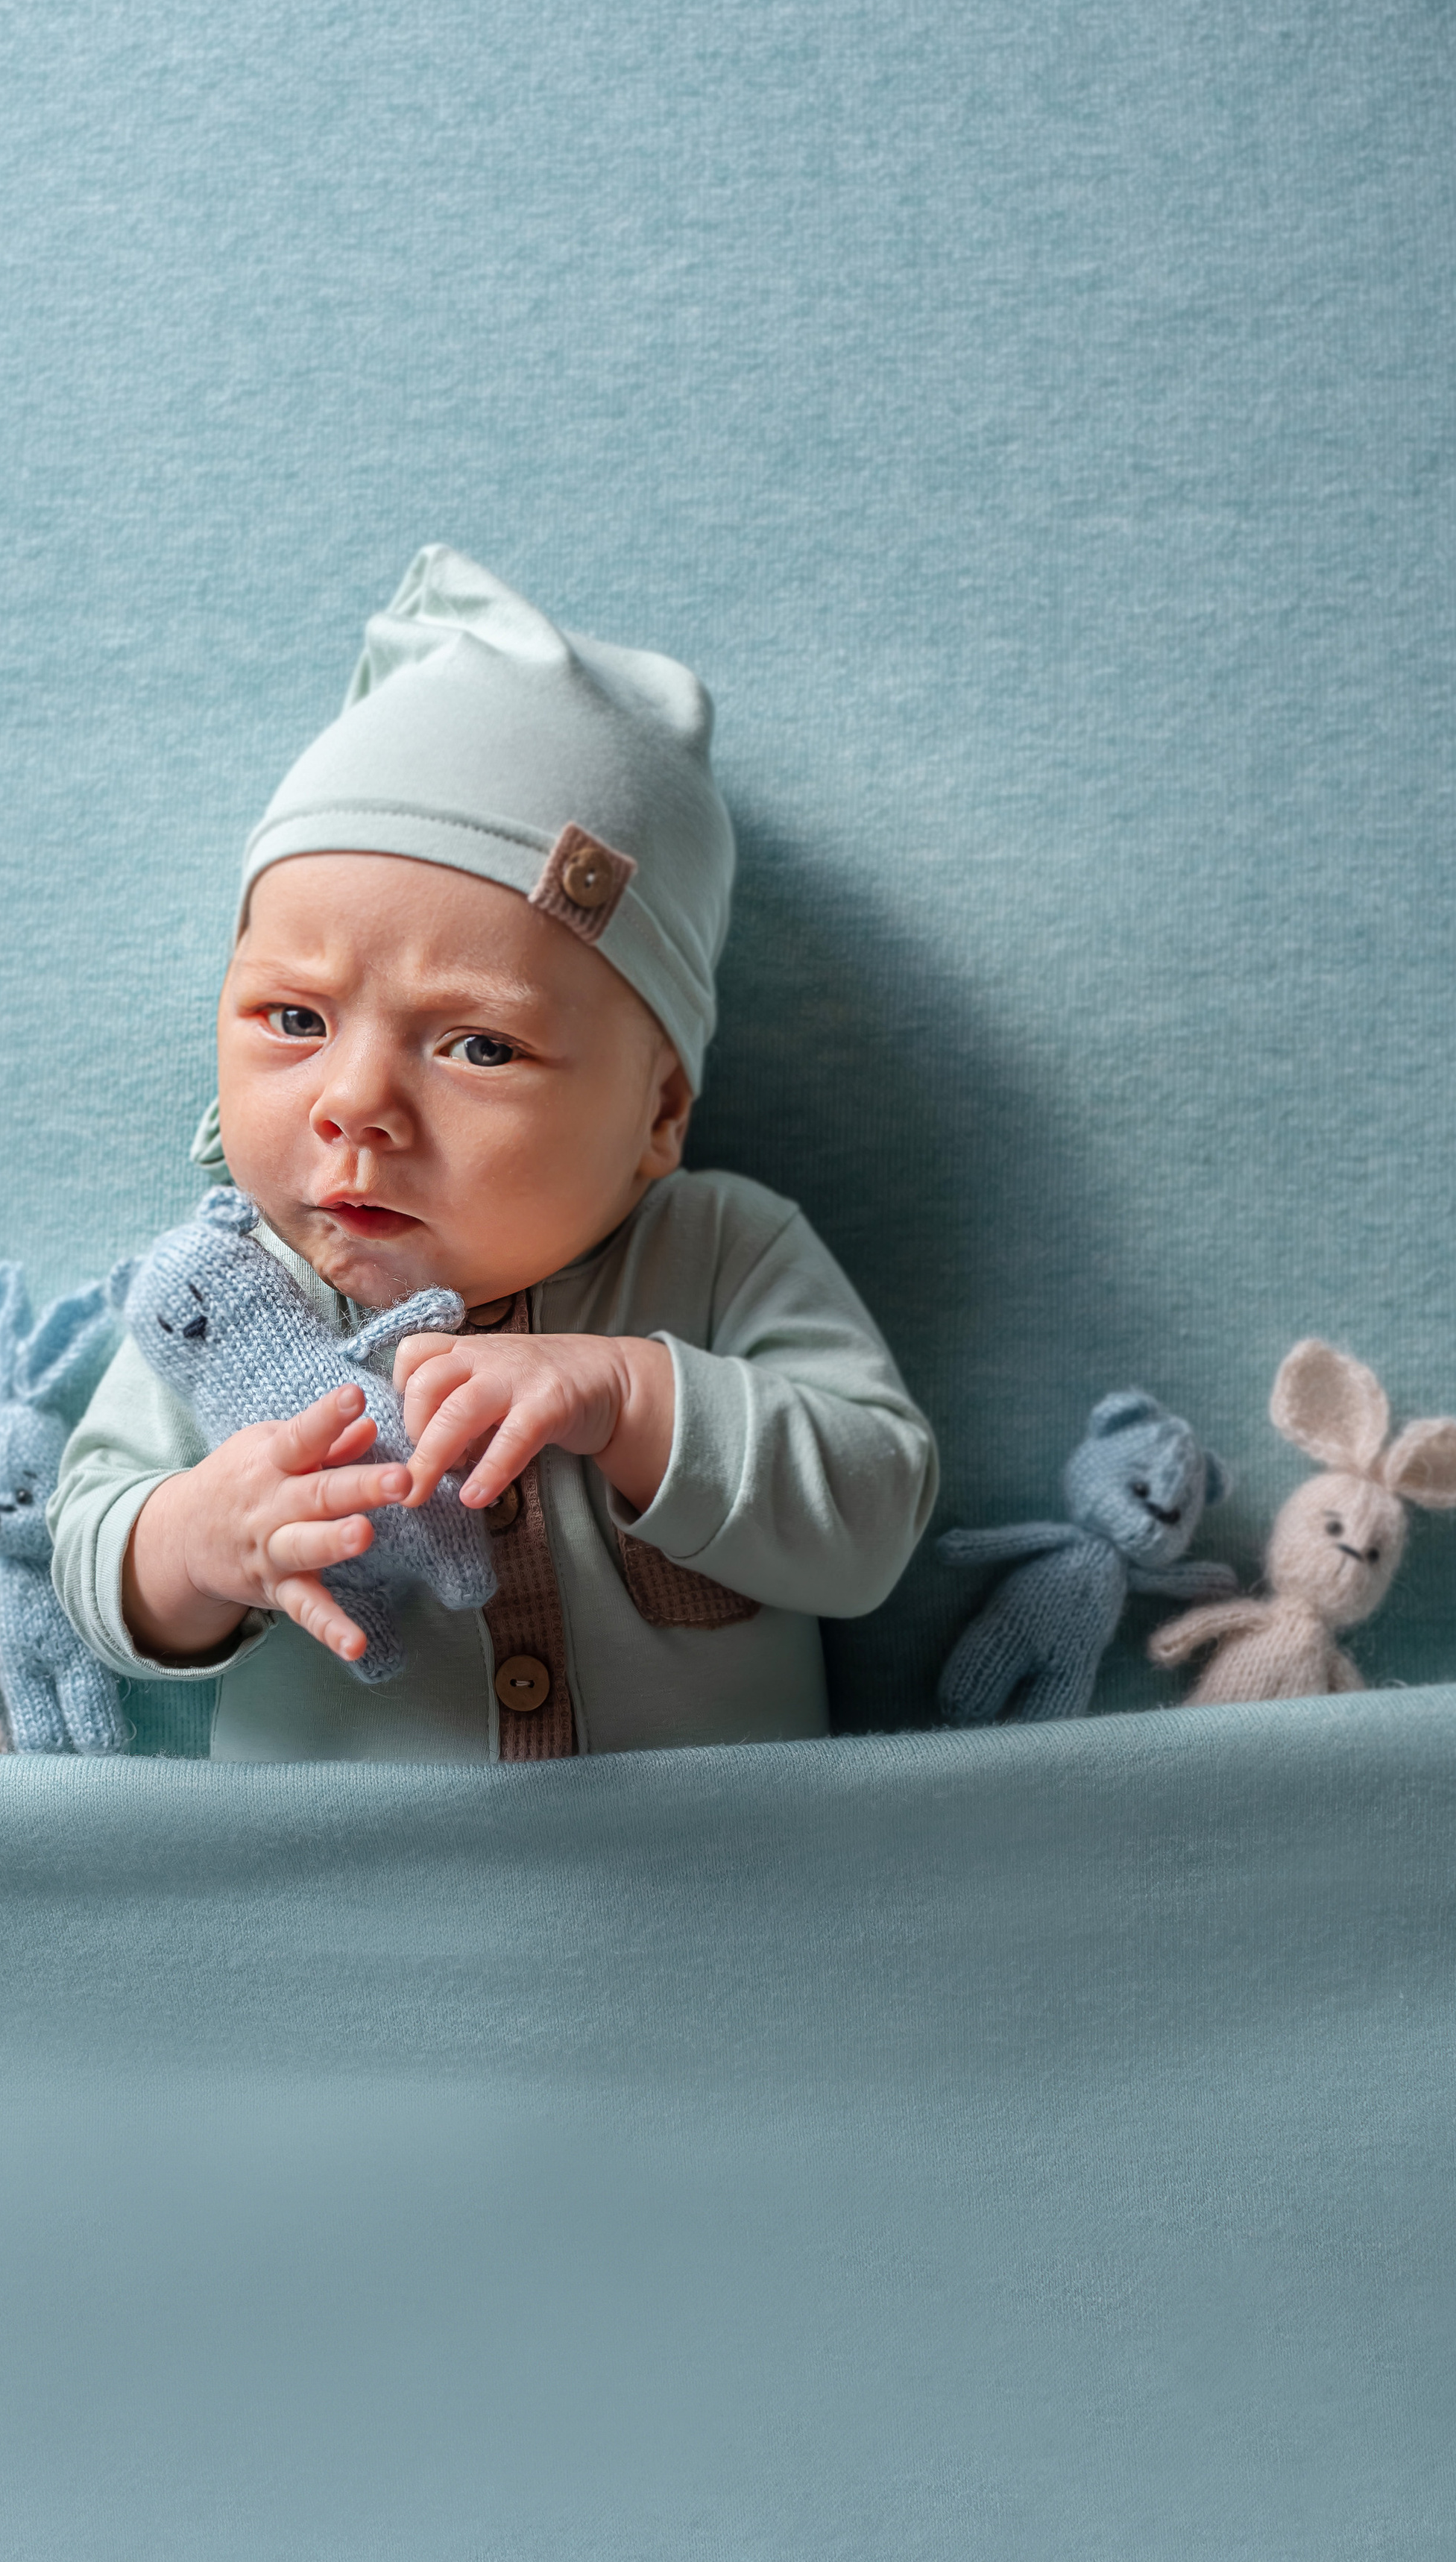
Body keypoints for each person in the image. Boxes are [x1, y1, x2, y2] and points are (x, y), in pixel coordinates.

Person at [50, 547, 937, 1761]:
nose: (355, 1105)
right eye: (295, 1021)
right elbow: (90, 1536)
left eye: (476, 1046)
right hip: (354, 1890)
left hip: (719, 1889)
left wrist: (633, 1399)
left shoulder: (725, 1252)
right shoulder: (231, 1297)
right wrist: (201, 1541)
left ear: (658, 1114)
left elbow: (875, 1515)